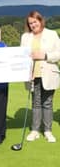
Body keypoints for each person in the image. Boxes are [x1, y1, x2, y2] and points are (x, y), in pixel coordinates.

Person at [21, 11, 60, 143]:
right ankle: (35, 130)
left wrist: (45, 56)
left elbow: (58, 54)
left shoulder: (52, 34)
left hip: (49, 74)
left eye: (35, 22)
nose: (33, 25)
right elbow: (22, 55)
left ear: (40, 21)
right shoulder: (25, 37)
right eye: (30, 23)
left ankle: (48, 131)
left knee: (47, 103)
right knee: (36, 103)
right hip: (33, 75)